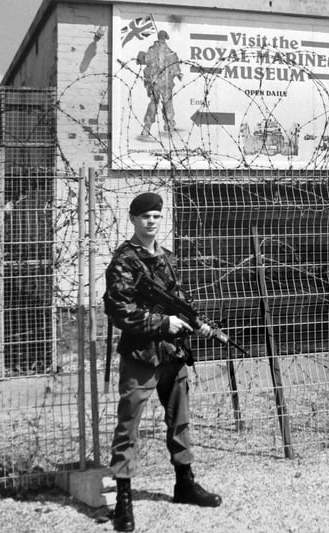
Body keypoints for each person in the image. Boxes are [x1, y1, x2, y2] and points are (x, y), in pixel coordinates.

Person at [103, 192, 221, 532]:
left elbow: (179, 297)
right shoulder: (124, 261)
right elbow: (119, 310)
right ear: (133, 219)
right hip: (141, 354)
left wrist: (192, 321)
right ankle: (124, 499)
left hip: (171, 353)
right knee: (129, 425)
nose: (151, 222)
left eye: (156, 216)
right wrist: (161, 323)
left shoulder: (168, 258)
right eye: (145, 217)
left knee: (180, 421)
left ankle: (184, 483)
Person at [140, 30, 182, 136]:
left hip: (153, 81)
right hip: (165, 82)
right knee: (167, 102)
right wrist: (178, 73)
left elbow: (146, 61)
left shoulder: (151, 50)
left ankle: (147, 126)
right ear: (164, 38)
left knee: (154, 102)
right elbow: (174, 64)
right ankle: (169, 123)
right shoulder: (168, 51)